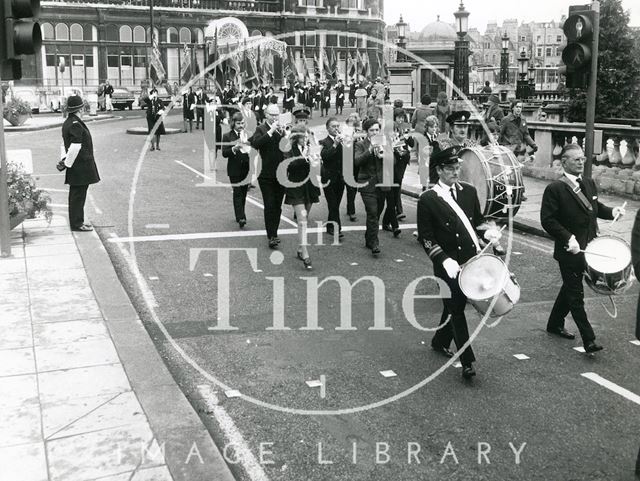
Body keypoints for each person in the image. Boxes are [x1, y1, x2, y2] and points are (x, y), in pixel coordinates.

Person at [417, 146, 502, 379]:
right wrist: (444, 260)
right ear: (439, 170)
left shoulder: (469, 191)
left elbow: (479, 222)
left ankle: (439, 340)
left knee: (453, 305)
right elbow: (426, 237)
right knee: (456, 309)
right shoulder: (428, 199)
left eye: (457, 168)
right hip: (448, 266)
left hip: (471, 261)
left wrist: (489, 234)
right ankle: (467, 361)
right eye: (451, 169)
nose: (456, 172)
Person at [540, 144, 625, 352]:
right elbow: (547, 220)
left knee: (569, 289)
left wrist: (611, 211)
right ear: (564, 162)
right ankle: (589, 339)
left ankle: (554, 324)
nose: (580, 162)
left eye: (582, 159)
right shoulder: (555, 189)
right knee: (576, 295)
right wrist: (567, 238)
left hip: (589, 249)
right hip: (569, 251)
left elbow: (595, 209)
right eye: (576, 159)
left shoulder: (588, 183)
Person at [57, 95, 100, 232]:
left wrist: (64, 160)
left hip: (76, 165)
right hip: (80, 166)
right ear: (80, 109)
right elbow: (75, 146)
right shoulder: (75, 124)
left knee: (77, 195)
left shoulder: (68, 122)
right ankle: (77, 224)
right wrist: (67, 163)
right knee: (78, 196)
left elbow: (64, 145)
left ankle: (78, 221)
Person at [355, 118, 397, 256]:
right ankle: (374, 243)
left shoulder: (385, 142)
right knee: (372, 212)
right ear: (366, 132)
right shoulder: (361, 144)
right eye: (372, 130)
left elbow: (394, 161)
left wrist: (386, 155)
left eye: (377, 130)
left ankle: (369, 237)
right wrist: (369, 150)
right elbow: (357, 161)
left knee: (376, 213)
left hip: (382, 184)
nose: (375, 132)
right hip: (367, 184)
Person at [249, 104, 287, 249]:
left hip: (281, 173)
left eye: (277, 114)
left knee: (277, 205)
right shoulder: (261, 129)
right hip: (265, 174)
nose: (275, 117)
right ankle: (271, 235)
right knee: (270, 204)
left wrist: (285, 135)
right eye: (272, 114)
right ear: (266, 115)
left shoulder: (281, 129)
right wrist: (270, 131)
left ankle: (275, 232)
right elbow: (256, 144)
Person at [283, 125, 321, 270]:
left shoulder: (311, 147)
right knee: (302, 219)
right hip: (296, 185)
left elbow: (317, 166)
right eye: (303, 136)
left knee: (305, 217)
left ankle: (300, 248)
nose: (305, 139)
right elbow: (290, 167)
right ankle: (305, 253)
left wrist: (315, 158)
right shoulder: (288, 149)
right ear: (295, 137)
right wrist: (303, 156)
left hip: (310, 185)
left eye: (307, 136)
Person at [222, 112, 251, 228]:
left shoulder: (248, 135)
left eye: (242, 123)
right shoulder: (227, 136)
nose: (241, 125)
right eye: (238, 123)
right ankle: (241, 217)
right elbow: (224, 153)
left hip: (245, 168)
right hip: (234, 169)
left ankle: (240, 213)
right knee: (237, 192)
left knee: (243, 193)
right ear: (233, 123)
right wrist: (234, 148)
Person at [385, 108, 414, 224]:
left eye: (402, 118)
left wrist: (409, 137)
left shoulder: (405, 129)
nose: (401, 120)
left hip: (403, 160)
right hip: (394, 160)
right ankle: (398, 210)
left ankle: (397, 210)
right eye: (398, 118)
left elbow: (411, 144)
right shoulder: (389, 129)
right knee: (396, 184)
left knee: (398, 184)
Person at [320, 117, 346, 239]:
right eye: (333, 126)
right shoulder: (324, 142)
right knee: (333, 203)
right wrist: (335, 144)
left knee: (336, 203)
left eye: (337, 126)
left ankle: (330, 226)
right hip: (328, 177)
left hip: (340, 177)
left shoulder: (342, 140)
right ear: (327, 128)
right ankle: (337, 228)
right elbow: (325, 156)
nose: (336, 129)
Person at [344, 113, 362, 222]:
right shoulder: (345, 130)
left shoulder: (359, 131)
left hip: (357, 161)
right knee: (350, 186)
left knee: (354, 186)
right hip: (347, 161)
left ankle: (349, 206)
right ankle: (351, 210)